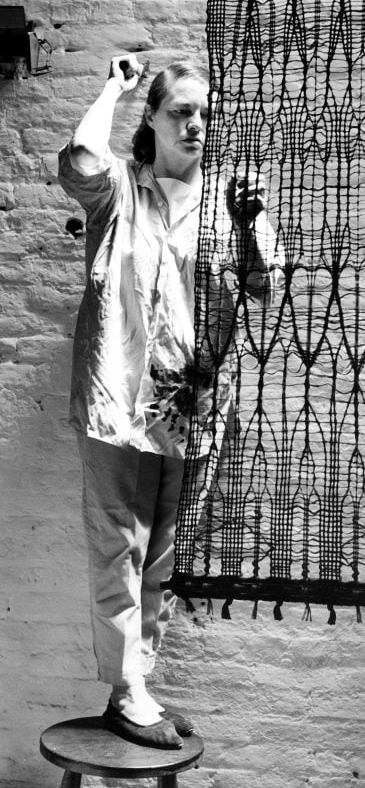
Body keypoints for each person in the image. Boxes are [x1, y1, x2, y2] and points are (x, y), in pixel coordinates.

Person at [58, 54, 281, 749]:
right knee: (118, 550)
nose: (194, 122)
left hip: (190, 405)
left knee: (161, 554)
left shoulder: (229, 199)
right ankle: (127, 692)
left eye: (204, 113)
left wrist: (252, 220)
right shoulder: (121, 190)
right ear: (151, 121)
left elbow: (264, 285)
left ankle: (138, 688)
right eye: (179, 109)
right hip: (117, 402)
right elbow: (79, 161)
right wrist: (116, 87)